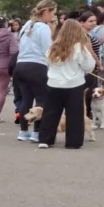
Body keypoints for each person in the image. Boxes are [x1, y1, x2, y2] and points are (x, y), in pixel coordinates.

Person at [38, 19, 96, 149]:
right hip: (74, 84)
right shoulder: (79, 48)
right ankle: (73, 142)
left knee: (50, 113)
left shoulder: (53, 47)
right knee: (75, 114)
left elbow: (47, 61)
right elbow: (89, 66)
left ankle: (45, 139)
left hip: (54, 83)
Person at [14, 0, 57, 143]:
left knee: (26, 99)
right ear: (46, 11)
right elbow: (48, 50)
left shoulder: (27, 25)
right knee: (41, 100)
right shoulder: (43, 28)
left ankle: (23, 131)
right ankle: (37, 132)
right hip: (37, 66)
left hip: (21, 65)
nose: (53, 17)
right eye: (53, 13)